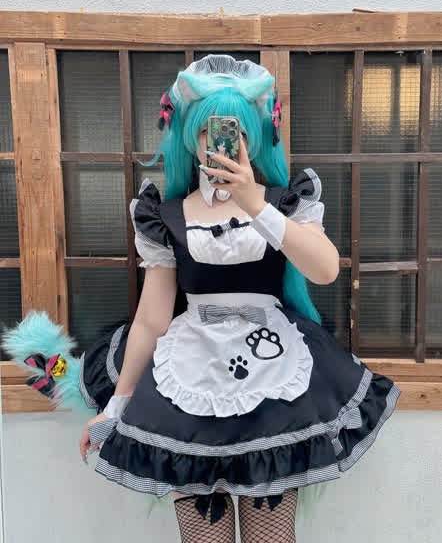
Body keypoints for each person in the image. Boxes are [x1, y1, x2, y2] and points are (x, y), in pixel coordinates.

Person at [76, 54, 401, 542]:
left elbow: (325, 269)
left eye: (236, 132)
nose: (224, 144)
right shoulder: (165, 216)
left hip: (272, 378)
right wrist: (116, 408)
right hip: (190, 375)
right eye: (208, 132)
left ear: (255, 136)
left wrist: (256, 204)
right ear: (191, 138)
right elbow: (151, 321)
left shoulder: (286, 202)